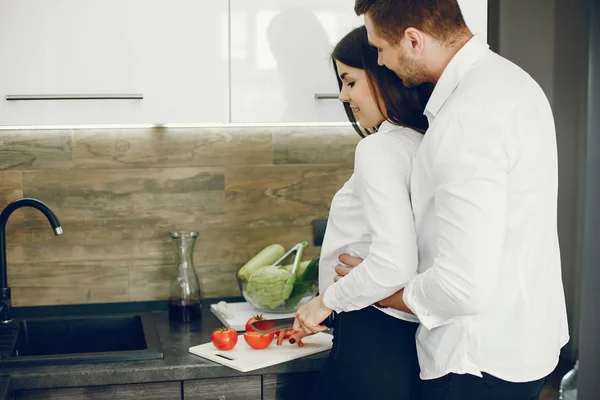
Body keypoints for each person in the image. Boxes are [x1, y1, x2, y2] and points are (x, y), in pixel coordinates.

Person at [322, 1, 570, 399]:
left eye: (381, 49)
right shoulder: (513, 82)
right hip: (527, 345)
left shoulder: (465, 115)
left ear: (413, 40)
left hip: (474, 360)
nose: (381, 63)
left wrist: (377, 293)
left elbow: (462, 287)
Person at [284, 25, 432, 399]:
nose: (342, 95)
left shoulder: (379, 149)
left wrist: (322, 304)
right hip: (408, 334)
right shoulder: (424, 141)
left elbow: (393, 262)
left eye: (350, 82)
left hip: (372, 332)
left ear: (382, 72)